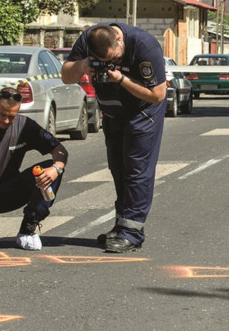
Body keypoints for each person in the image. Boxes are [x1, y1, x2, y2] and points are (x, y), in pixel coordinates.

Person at [61, 23, 167, 253]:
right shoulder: (88, 40)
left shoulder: (143, 46)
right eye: (104, 60)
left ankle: (132, 233)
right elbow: (66, 76)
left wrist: (121, 80)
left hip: (142, 112)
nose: (112, 63)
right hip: (112, 112)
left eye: (114, 58)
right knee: (118, 168)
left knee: (136, 170)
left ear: (119, 39)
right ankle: (122, 225)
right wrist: (82, 66)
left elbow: (157, 94)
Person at [0, 87, 68, 251]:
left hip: (12, 188)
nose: (7, 121)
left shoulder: (24, 125)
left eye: (12, 116)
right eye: (3, 115)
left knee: (50, 170)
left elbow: (61, 151)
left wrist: (56, 168)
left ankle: (28, 229)